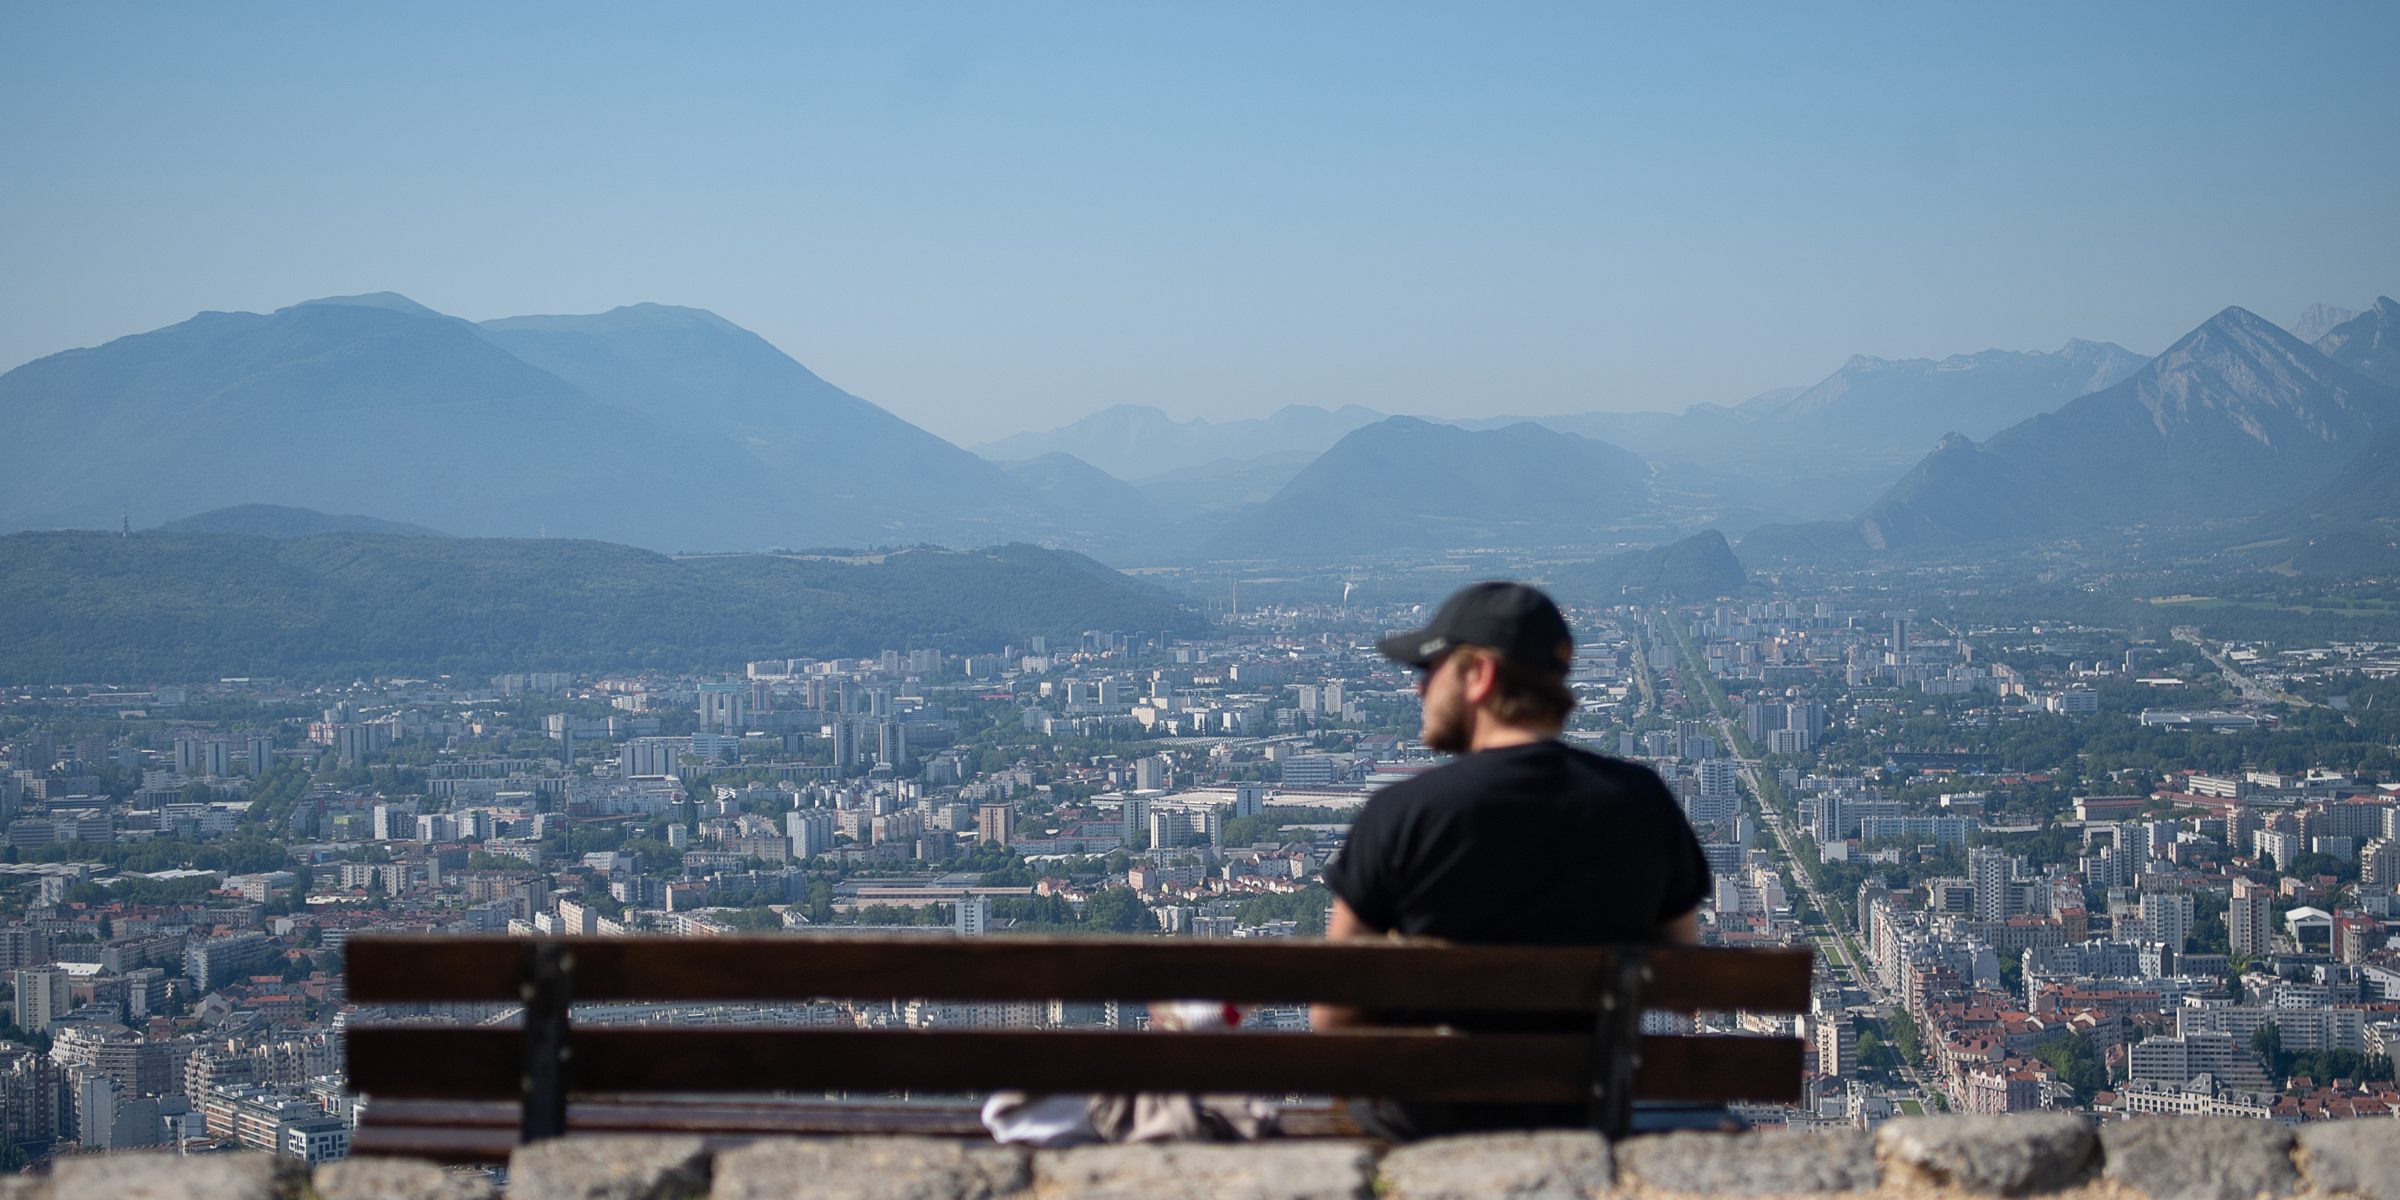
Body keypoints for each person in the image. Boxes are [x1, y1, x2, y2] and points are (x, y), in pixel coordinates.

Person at [1313, 580, 1711, 1141]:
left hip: (1429, 1123)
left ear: (1479, 675)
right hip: (1587, 1118)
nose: (1419, 688)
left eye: (1431, 669)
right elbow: (1683, 981)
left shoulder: (1402, 814)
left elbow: (1333, 1017)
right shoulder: (1643, 802)